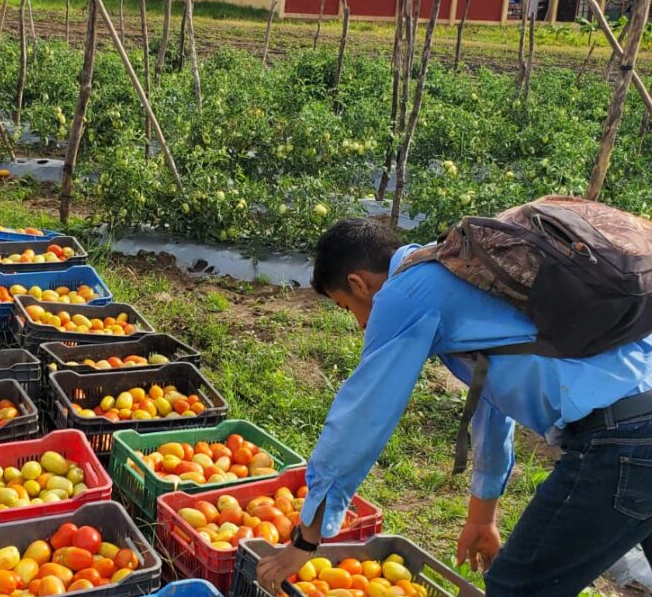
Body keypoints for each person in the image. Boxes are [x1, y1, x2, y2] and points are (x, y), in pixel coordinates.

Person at [256, 217, 652, 596]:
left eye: (348, 309)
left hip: (624, 439)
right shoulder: (462, 266)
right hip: (639, 416)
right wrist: (482, 516)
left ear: (358, 284)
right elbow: (495, 404)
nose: (360, 324)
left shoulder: (405, 292)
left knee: (516, 587)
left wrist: (306, 541)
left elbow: (362, 416)